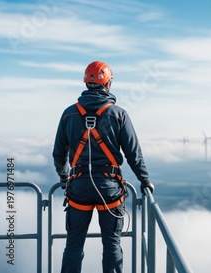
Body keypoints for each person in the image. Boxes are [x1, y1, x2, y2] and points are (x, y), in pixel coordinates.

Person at [52, 60, 154, 273]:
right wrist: (144, 180)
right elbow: (133, 153)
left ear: (86, 84)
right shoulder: (118, 114)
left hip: (78, 187)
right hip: (110, 190)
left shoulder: (69, 113)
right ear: (108, 84)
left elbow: (58, 154)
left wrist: (64, 179)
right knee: (112, 244)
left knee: (73, 244)